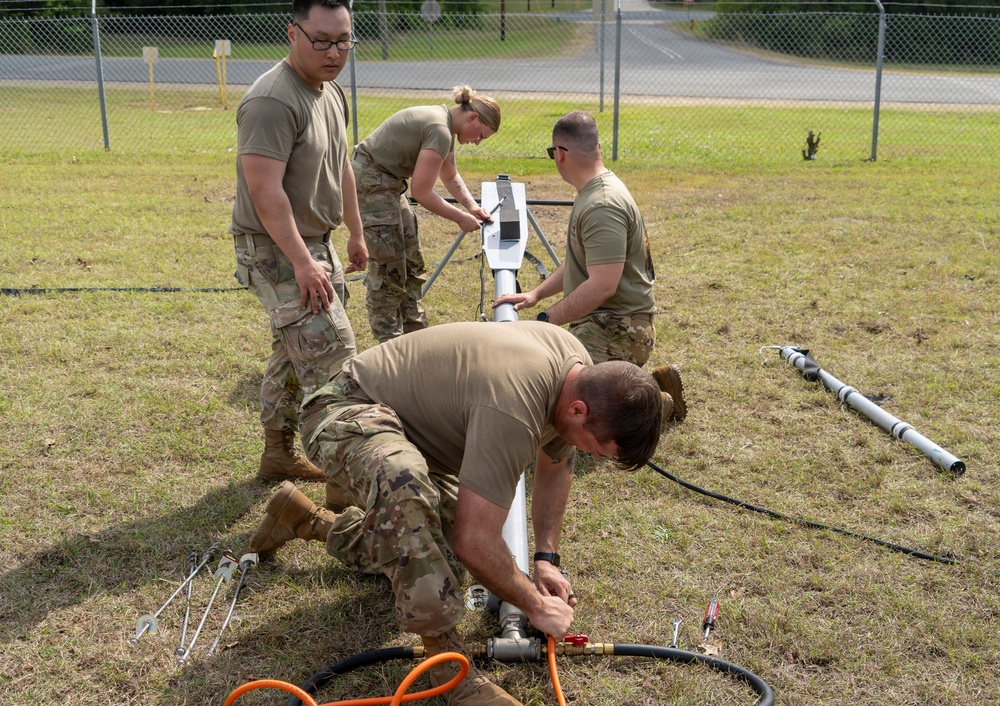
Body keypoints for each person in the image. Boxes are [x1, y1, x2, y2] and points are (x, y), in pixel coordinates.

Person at [248, 321, 670, 705]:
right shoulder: (514, 404)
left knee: (440, 563)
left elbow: (556, 463)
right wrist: (536, 607)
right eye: (592, 447)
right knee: (408, 494)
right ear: (578, 411)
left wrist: (545, 558)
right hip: (345, 409)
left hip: (411, 433)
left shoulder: (576, 376)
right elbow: (477, 541)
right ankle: (450, 671)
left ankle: (306, 519)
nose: (585, 453)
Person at [230, 0, 368, 484]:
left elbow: (341, 164)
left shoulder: (329, 91)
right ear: (292, 33)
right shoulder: (271, 100)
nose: (335, 52)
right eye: (322, 40)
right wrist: (304, 263)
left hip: (314, 241)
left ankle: (277, 454)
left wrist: (354, 229)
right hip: (276, 248)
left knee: (293, 351)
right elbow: (265, 193)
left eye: (344, 40)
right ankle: (345, 482)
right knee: (335, 358)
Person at [493, 111, 660, 368]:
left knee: (549, 382)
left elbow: (603, 285)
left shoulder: (601, 204)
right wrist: (536, 294)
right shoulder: (593, 192)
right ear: (598, 148)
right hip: (605, 323)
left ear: (559, 153)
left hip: (619, 331)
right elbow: (580, 263)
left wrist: (543, 322)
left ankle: (652, 402)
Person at [351, 86, 501, 342]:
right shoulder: (440, 130)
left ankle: (414, 336)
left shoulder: (444, 127)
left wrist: (471, 207)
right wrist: (460, 218)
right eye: (481, 136)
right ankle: (390, 344)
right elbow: (422, 191)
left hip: (388, 183)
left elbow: (450, 174)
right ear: (473, 118)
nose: (478, 142)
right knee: (389, 267)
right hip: (372, 181)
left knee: (410, 259)